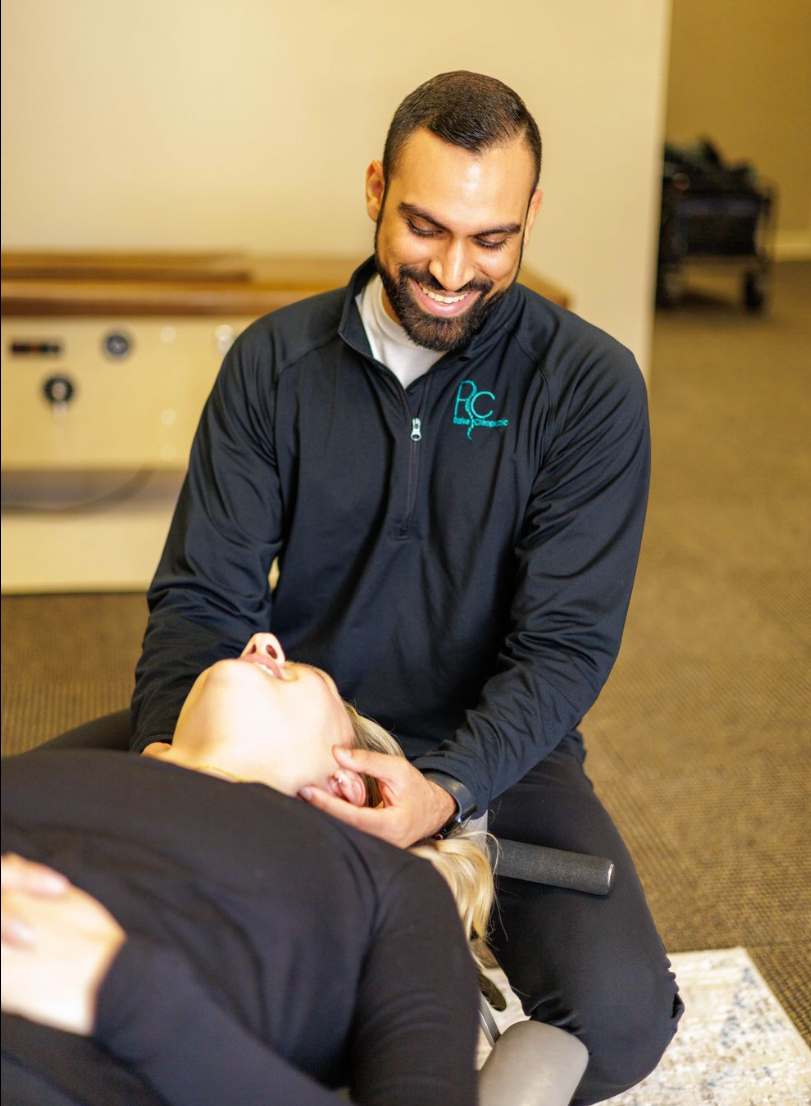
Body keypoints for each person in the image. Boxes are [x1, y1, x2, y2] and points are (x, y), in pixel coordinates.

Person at [75, 71, 681, 1102]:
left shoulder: (589, 387)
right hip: (291, 727)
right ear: (374, 190)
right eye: (425, 225)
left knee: (620, 1019)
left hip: (494, 747)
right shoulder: (273, 364)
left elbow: (564, 648)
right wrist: (194, 790)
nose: (451, 268)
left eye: (491, 238)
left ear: (531, 215)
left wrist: (446, 788)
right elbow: (201, 605)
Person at [1, 633, 491, 1106]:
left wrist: (124, 993)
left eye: (302, 673)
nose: (262, 641)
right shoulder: (54, 771)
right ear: (163, 749)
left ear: (348, 787)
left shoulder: (389, 884)